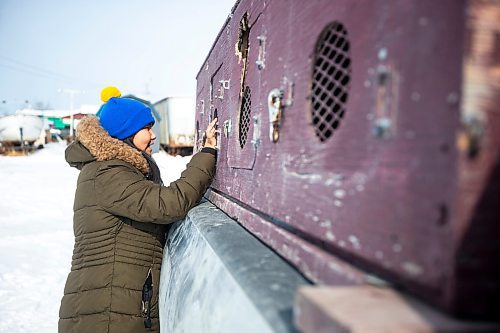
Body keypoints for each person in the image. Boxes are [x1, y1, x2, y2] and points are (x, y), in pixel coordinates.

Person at [59, 88, 218, 332]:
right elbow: (169, 204)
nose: (153, 136)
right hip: (106, 314)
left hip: (113, 305)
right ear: (125, 132)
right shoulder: (108, 174)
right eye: (147, 128)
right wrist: (207, 153)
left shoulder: (115, 170)